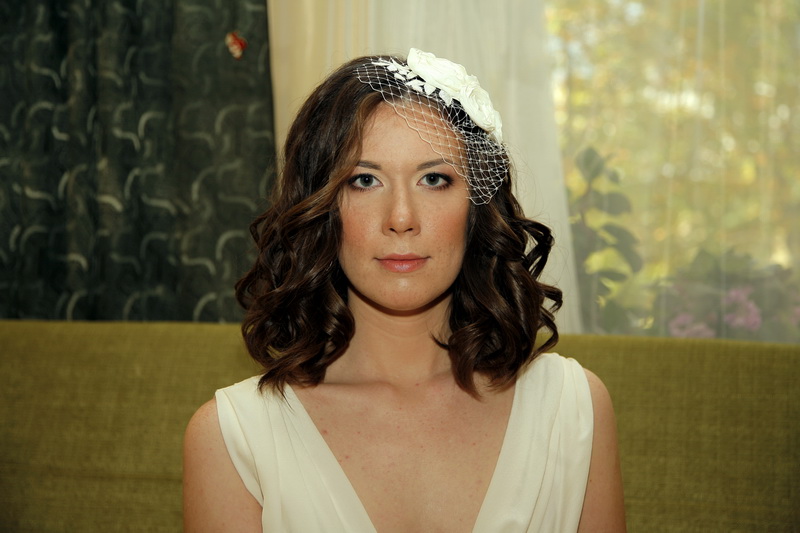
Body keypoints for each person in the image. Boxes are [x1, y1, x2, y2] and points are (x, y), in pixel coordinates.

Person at [183, 48, 626, 532]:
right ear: (321, 208)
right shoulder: (233, 437)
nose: (400, 218)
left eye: (433, 179)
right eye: (364, 180)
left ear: (476, 208)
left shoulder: (572, 410)